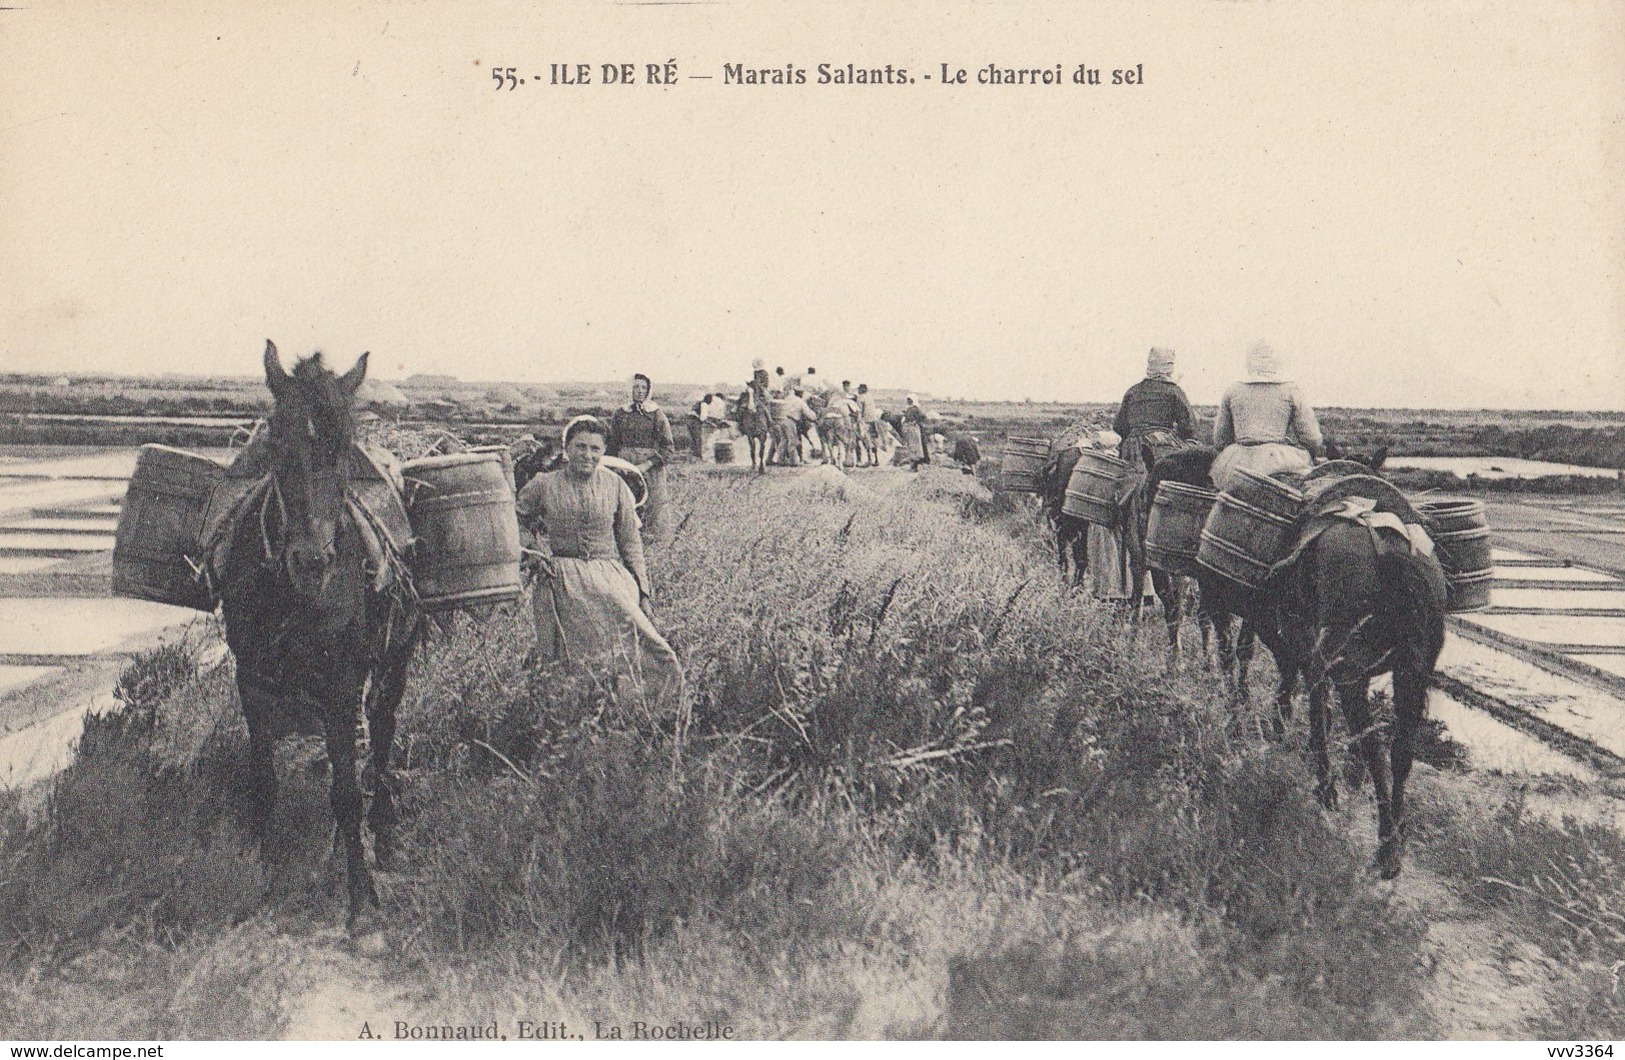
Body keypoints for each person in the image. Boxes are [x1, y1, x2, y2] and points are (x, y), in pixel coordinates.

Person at [516, 416, 684, 706]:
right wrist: (533, 553)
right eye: (580, 447)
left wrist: (643, 591)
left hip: (609, 577)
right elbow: (516, 521)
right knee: (566, 660)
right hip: (561, 581)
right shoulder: (544, 484)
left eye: (595, 448)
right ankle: (573, 715)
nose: (588, 455)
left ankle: (649, 711)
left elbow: (630, 542)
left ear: (604, 451)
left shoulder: (616, 485)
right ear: (566, 449)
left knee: (648, 649)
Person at [1211, 341, 1324, 492]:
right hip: (1278, 461)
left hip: (1235, 462)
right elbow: (1312, 437)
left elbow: (1220, 438)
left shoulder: (1233, 390)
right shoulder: (1291, 390)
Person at [607, 373, 676, 543]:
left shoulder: (656, 414)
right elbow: (612, 445)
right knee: (624, 504)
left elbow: (668, 448)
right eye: (636, 387)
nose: (639, 391)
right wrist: (613, 466)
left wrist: (646, 464)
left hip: (649, 470)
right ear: (629, 389)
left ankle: (653, 542)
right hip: (624, 467)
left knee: (653, 506)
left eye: (644, 387)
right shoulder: (621, 414)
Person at [1112, 347, 1196, 467]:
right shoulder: (1173, 391)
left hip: (1131, 450)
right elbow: (1189, 427)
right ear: (1169, 367)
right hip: (1160, 447)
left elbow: (1119, 427)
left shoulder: (1133, 391)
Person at [856, 384, 882, 466]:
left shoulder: (860, 397)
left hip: (865, 421)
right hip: (873, 420)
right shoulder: (870, 396)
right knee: (873, 440)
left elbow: (859, 410)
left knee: (866, 440)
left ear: (861, 390)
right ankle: (876, 460)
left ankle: (869, 460)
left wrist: (858, 419)